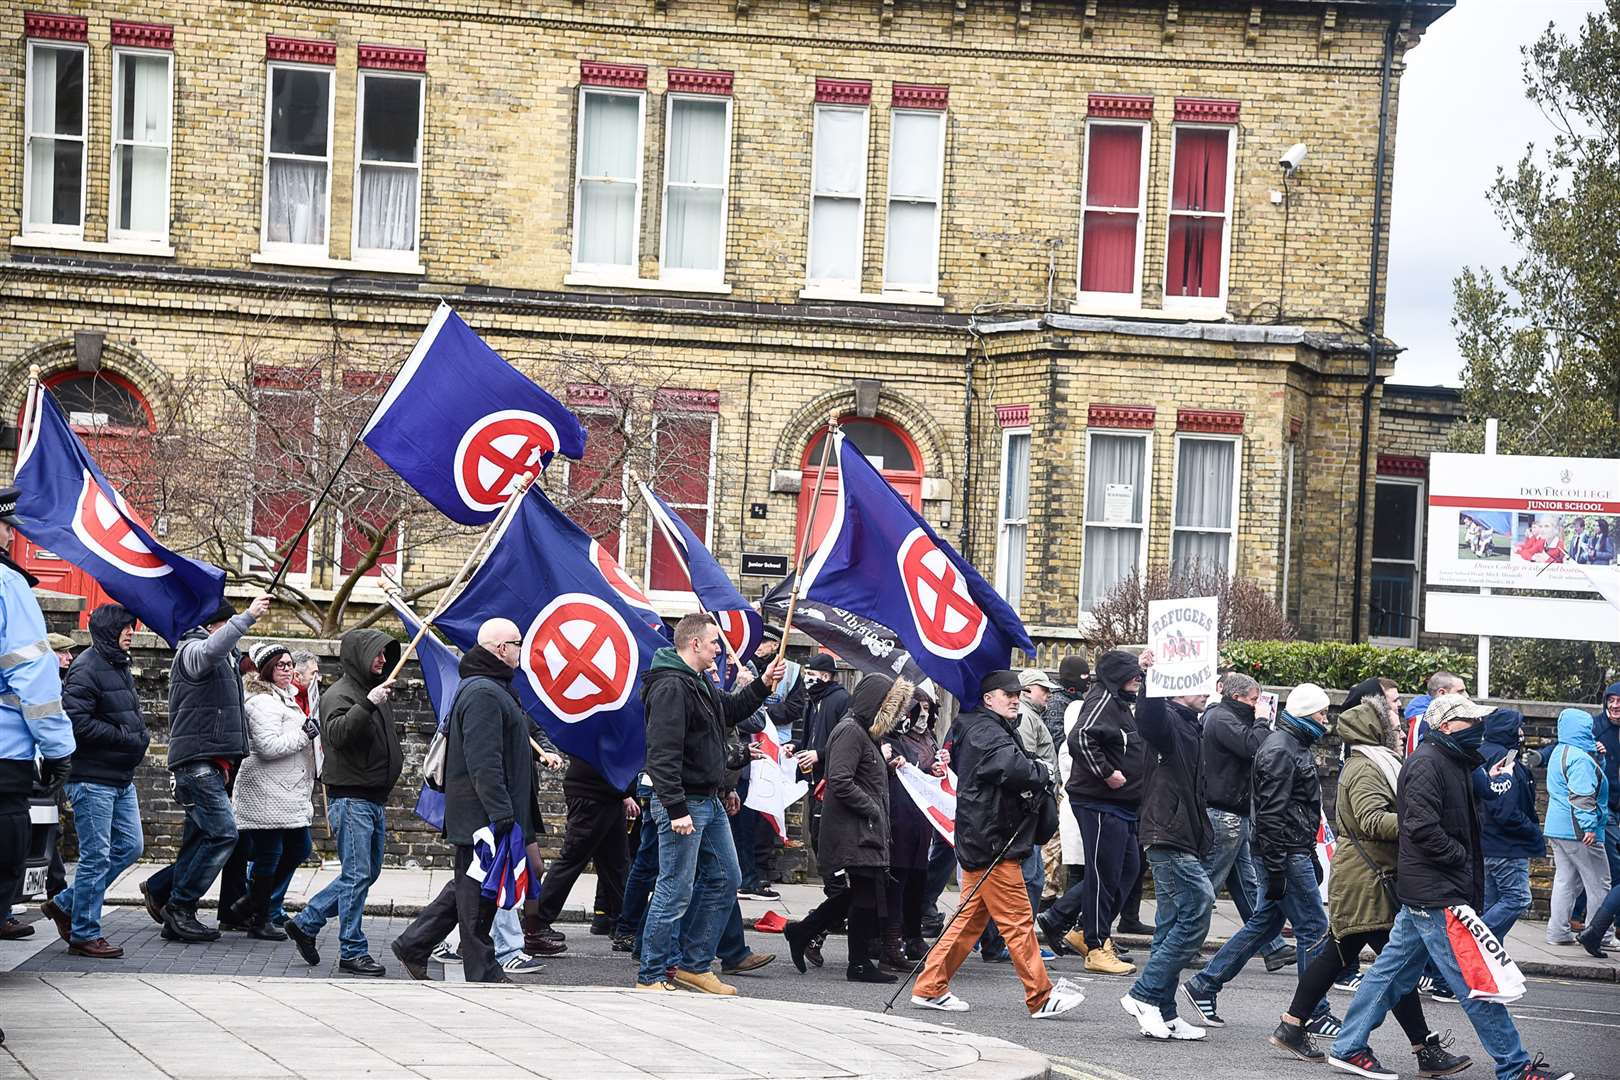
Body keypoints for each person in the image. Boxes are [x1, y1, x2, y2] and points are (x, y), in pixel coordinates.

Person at [1329, 695, 1572, 1080]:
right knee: (1473, 981)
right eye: (1469, 721)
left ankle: (1347, 1045)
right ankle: (1514, 1066)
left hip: (1432, 889)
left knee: (1389, 975)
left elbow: (1480, 801)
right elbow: (1420, 828)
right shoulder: (1428, 763)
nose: (1479, 727)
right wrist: (1459, 856)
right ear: (1445, 726)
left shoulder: (1454, 760)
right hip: (1436, 890)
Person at [1268, 677, 1469, 1076]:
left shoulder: (1378, 763)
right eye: (1389, 725)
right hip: (1367, 880)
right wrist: (1422, 823)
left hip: (1369, 878)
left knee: (1341, 954)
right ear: (1372, 730)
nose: (1395, 730)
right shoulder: (1364, 768)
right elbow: (1373, 820)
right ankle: (1422, 1049)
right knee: (1394, 968)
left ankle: (1291, 1026)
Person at [911, 670, 1084, 1019]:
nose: (1015, 698)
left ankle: (929, 987)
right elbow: (1015, 768)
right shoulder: (987, 732)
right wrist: (1043, 771)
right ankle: (1040, 996)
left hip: (983, 837)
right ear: (989, 698)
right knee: (1019, 921)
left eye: (1017, 693)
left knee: (968, 921)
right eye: (1008, 694)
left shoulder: (981, 727)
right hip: (993, 841)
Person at [635, 614, 780, 994]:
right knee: (674, 888)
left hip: (708, 800)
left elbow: (729, 711)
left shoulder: (696, 682)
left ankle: (693, 965)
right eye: (715, 642)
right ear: (694, 644)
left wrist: (763, 685)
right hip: (685, 804)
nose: (720, 648)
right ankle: (650, 975)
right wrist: (675, 808)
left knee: (726, 878)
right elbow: (662, 753)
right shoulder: (671, 686)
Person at [1183, 683, 1338, 1035]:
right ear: (1304, 714)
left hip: (1288, 850)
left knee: (1266, 924)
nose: (1325, 720)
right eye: (1321, 713)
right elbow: (1270, 813)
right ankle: (1314, 1010)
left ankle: (1205, 984)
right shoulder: (1282, 749)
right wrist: (1279, 863)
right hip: (1284, 852)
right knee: (1313, 928)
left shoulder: (1288, 744)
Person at [391, 619, 537, 984]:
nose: (522, 650)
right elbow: (483, 760)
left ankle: (415, 944)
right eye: (517, 643)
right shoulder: (484, 693)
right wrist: (501, 812)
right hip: (482, 816)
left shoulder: (492, 689)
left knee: (470, 888)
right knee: (476, 892)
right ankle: (480, 966)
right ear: (501, 648)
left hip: (486, 813)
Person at [140, 592, 271, 942]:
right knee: (223, 833)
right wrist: (248, 617)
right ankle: (179, 906)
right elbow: (210, 651)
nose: (232, 631)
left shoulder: (224, 659)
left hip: (211, 762)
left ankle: (175, 909)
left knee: (200, 837)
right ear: (214, 625)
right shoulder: (192, 650)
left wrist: (228, 759)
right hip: (196, 762)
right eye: (227, 624)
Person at [284, 627, 401, 976]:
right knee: (356, 875)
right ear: (360, 656)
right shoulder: (342, 694)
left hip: (372, 798)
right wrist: (369, 704)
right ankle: (352, 950)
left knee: (367, 872)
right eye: (377, 654)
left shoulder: (370, 692)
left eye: (385, 654)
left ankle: (308, 921)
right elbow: (336, 735)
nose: (382, 660)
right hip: (352, 800)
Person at [784, 673, 911, 982]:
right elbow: (840, 780)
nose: (893, 715)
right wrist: (871, 810)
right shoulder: (850, 731)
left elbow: (864, 777)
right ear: (876, 704)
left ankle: (804, 932)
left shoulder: (866, 734)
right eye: (889, 707)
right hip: (852, 828)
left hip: (863, 828)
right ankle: (855, 963)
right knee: (862, 894)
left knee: (860, 894)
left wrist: (887, 771)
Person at [1119, 650, 1214, 1042]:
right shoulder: (1168, 720)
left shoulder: (1192, 724)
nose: (1207, 690)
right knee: (1199, 905)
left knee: (1172, 924)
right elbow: (1149, 717)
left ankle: (1165, 1010)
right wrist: (1149, 675)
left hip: (1181, 833)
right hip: (1166, 833)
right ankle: (1143, 994)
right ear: (1177, 690)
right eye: (1198, 684)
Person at [42, 604, 145, 958]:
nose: (131, 632)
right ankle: (85, 932)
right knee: (95, 857)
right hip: (92, 778)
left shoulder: (119, 665)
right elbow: (76, 722)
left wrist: (134, 735)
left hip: (119, 776)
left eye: (131, 627)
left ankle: (65, 904)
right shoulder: (86, 668)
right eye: (125, 627)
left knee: (130, 846)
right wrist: (124, 736)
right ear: (107, 630)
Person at [0, 487, 75, 957]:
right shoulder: (8, 585)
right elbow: (32, 673)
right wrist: (59, 748)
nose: (11, 535)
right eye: (7, 525)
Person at [1195, 671, 1293, 974]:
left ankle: (1272, 946)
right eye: (1253, 700)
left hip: (1234, 813)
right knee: (1205, 884)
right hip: (1223, 814)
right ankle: (1183, 942)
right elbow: (1257, 748)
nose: (1257, 705)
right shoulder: (1221, 718)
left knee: (1248, 885)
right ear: (1236, 697)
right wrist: (1263, 720)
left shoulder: (1231, 717)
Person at [222, 643, 317, 941]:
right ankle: (259, 917)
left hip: (286, 791)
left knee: (298, 848)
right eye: (281, 665)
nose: (288, 670)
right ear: (266, 669)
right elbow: (267, 747)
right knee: (270, 854)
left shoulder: (283, 698)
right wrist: (305, 734)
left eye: (290, 664)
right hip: (266, 789)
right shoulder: (261, 702)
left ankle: (250, 903)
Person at [1064, 649, 1149, 976]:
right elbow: (1081, 737)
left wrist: (1144, 667)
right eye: (1131, 676)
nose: (1136, 681)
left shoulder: (1118, 700)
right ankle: (1096, 945)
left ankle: (1086, 932)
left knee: (1128, 870)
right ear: (1116, 677)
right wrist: (1106, 772)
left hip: (1121, 805)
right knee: (1104, 874)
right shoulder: (1102, 700)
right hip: (1099, 802)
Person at [1543, 708, 1610, 946]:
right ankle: (1600, 934)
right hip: (1578, 830)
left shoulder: (1562, 751)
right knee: (1599, 883)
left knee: (1566, 881)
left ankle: (1558, 932)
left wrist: (1598, 758)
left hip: (1557, 827)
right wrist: (1589, 827)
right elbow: (1582, 796)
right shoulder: (1580, 758)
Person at [1477, 709, 1544, 943]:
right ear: (1508, 730)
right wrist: (1531, 829)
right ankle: (1472, 940)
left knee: (1490, 906)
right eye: (1518, 727)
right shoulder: (1504, 759)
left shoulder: (1481, 754)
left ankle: (1489, 966)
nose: (1522, 732)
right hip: (1507, 846)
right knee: (1517, 899)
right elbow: (1504, 809)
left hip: (1486, 844)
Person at [883, 693, 939, 963]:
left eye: (927, 710)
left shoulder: (929, 738)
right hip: (899, 818)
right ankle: (891, 941)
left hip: (920, 819)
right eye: (919, 710)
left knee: (917, 880)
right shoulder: (893, 740)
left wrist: (935, 769)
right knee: (896, 882)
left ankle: (912, 936)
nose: (922, 716)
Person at [1404, 671, 1466, 757]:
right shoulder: (1422, 720)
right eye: (1460, 691)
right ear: (1442, 693)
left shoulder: (1452, 714)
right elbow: (1412, 758)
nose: (1466, 696)